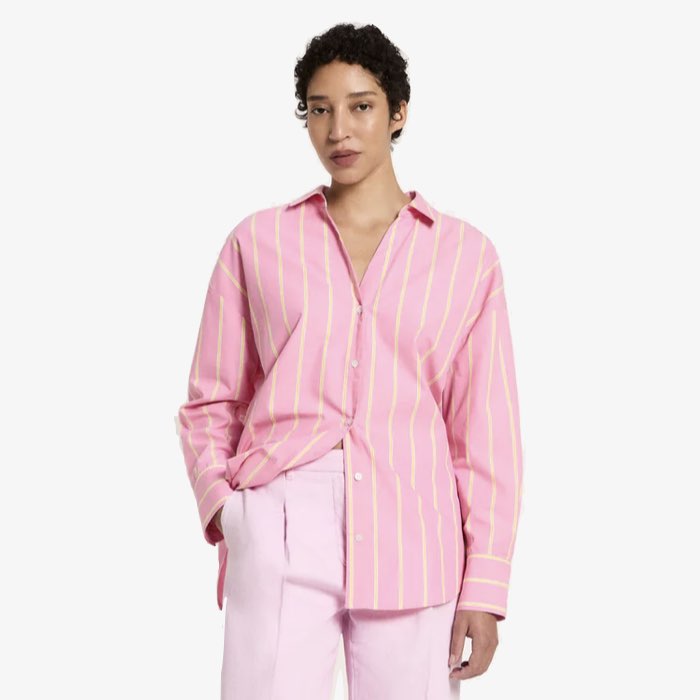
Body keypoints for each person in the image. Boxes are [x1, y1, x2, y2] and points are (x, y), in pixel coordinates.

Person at [175, 22, 524, 700]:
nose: (338, 129)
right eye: (319, 109)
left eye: (361, 106)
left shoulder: (466, 257)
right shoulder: (257, 242)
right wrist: (227, 510)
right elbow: (211, 400)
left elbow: (485, 438)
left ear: (398, 113)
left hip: (414, 530)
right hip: (279, 518)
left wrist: (486, 583)